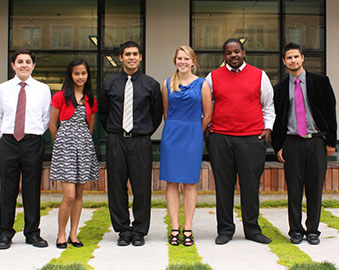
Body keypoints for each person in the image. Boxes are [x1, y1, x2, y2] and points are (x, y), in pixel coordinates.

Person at [206, 38, 275, 245]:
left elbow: (268, 105)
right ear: (224, 56)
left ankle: (252, 230)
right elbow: (204, 104)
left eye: (237, 51)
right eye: (229, 53)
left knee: (250, 186)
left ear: (243, 53)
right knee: (224, 186)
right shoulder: (212, 77)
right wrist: (207, 125)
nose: (233, 55)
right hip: (221, 139)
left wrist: (268, 127)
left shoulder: (259, 75)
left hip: (251, 139)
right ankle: (225, 230)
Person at [271, 43, 337, 245]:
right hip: (292, 143)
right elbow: (277, 119)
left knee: (315, 188)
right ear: (284, 61)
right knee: (294, 189)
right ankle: (296, 230)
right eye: (289, 58)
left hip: (316, 141)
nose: (293, 61)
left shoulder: (320, 82)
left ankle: (313, 230)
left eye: (296, 57)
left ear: (303, 58)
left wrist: (331, 141)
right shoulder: (280, 88)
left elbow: (330, 111)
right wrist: (278, 146)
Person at [98, 41, 163, 246]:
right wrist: (114, 130)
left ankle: (140, 231)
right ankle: (123, 230)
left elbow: (156, 114)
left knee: (142, 187)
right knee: (116, 187)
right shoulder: (109, 84)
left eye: (135, 54)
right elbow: (103, 112)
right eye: (127, 54)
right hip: (116, 140)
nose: (131, 57)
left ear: (140, 57)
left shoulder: (151, 85)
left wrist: (142, 132)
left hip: (141, 141)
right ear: (121, 58)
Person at [0, 48, 51, 249]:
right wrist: (8, 135)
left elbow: (45, 118)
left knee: (32, 190)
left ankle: (32, 233)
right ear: (13, 65)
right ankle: (5, 234)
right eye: (20, 61)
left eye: (28, 61)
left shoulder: (42, 89)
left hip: (33, 143)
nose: (24, 64)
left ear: (33, 65)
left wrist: (32, 134)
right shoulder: (2, 88)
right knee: (8, 190)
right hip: (9, 143)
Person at [160, 46, 212, 246]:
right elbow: (166, 113)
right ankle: (174, 227)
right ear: (175, 61)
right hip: (172, 135)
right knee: (172, 182)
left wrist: (195, 132)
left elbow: (207, 114)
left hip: (193, 134)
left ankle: (188, 228)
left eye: (186, 58)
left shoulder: (202, 84)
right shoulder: (167, 84)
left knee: (190, 183)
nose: (182, 62)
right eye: (179, 58)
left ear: (193, 61)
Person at [49, 58, 99, 249]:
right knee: (68, 195)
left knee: (79, 194)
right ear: (70, 74)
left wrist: (81, 142)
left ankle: (73, 234)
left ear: (88, 75)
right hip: (65, 148)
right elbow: (52, 125)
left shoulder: (91, 99)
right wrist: (62, 144)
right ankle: (61, 234)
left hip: (84, 147)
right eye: (76, 73)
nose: (80, 77)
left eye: (83, 73)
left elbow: (90, 127)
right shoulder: (60, 96)